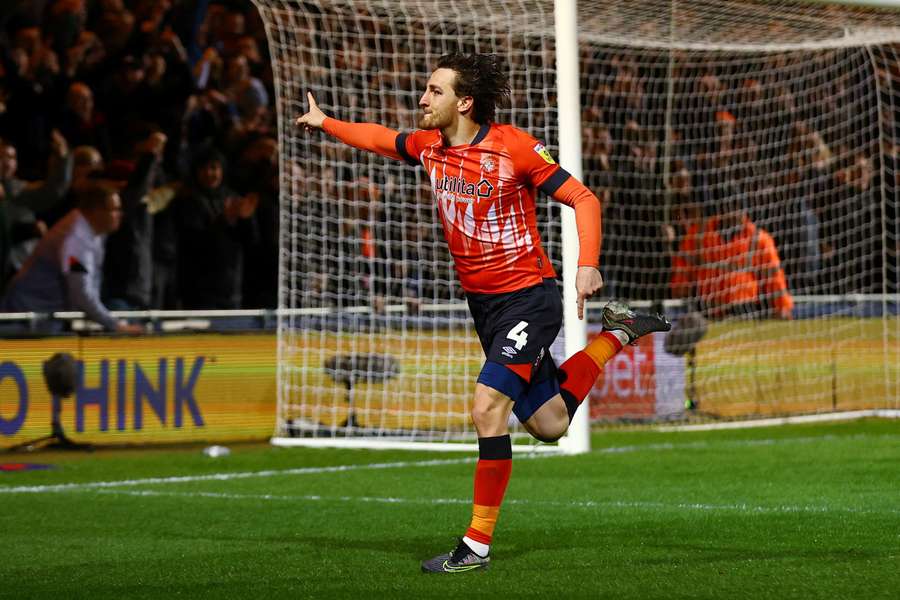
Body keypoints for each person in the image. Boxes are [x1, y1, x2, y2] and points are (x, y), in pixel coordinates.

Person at [295, 52, 671, 573]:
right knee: (549, 423)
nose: (423, 99)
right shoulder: (429, 147)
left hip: (529, 297)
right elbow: (380, 138)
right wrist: (326, 122)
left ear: (463, 102)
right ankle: (617, 335)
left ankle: (475, 546)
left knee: (486, 407)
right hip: (485, 306)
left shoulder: (513, 147)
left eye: (434, 91)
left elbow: (584, 200)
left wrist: (587, 266)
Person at [1, 181, 143, 334]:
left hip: (47, 315)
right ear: (96, 211)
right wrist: (116, 326)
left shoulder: (93, 229)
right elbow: (81, 291)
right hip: (29, 316)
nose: (119, 214)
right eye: (114, 209)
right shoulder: (75, 239)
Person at [670, 195, 794, 320]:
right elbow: (683, 269)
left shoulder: (758, 239)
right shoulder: (698, 234)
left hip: (744, 310)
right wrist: (679, 299)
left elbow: (774, 277)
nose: (732, 213)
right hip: (706, 309)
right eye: (728, 207)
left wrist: (782, 306)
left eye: (736, 208)